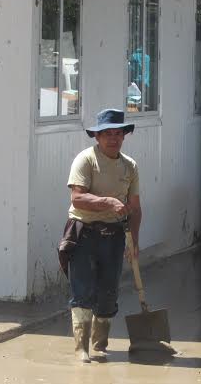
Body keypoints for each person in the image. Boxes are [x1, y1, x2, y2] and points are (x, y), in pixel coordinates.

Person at [60, 109, 142, 362]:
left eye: (118, 133)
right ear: (97, 136)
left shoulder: (130, 166)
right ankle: (81, 348)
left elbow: (136, 208)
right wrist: (107, 202)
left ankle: (100, 344)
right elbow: (77, 197)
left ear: (124, 136)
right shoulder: (86, 160)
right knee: (83, 290)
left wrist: (134, 242)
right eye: (107, 134)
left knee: (108, 293)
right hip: (83, 232)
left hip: (115, 236)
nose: (113, 138)